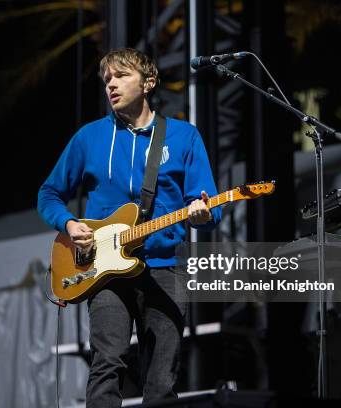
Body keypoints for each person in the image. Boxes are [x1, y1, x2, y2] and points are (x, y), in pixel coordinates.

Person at [38, 48, 221, 407]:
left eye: (121, 76)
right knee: (107, 363)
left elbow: (208, 206)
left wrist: (203, 212)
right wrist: (69, 223)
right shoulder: (89, 137)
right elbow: (49, 193)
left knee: (162, 377)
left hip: (166, 267)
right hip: (104, 271)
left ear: (149, 83)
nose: (111, 85)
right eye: (107, 79)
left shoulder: (183, 137)